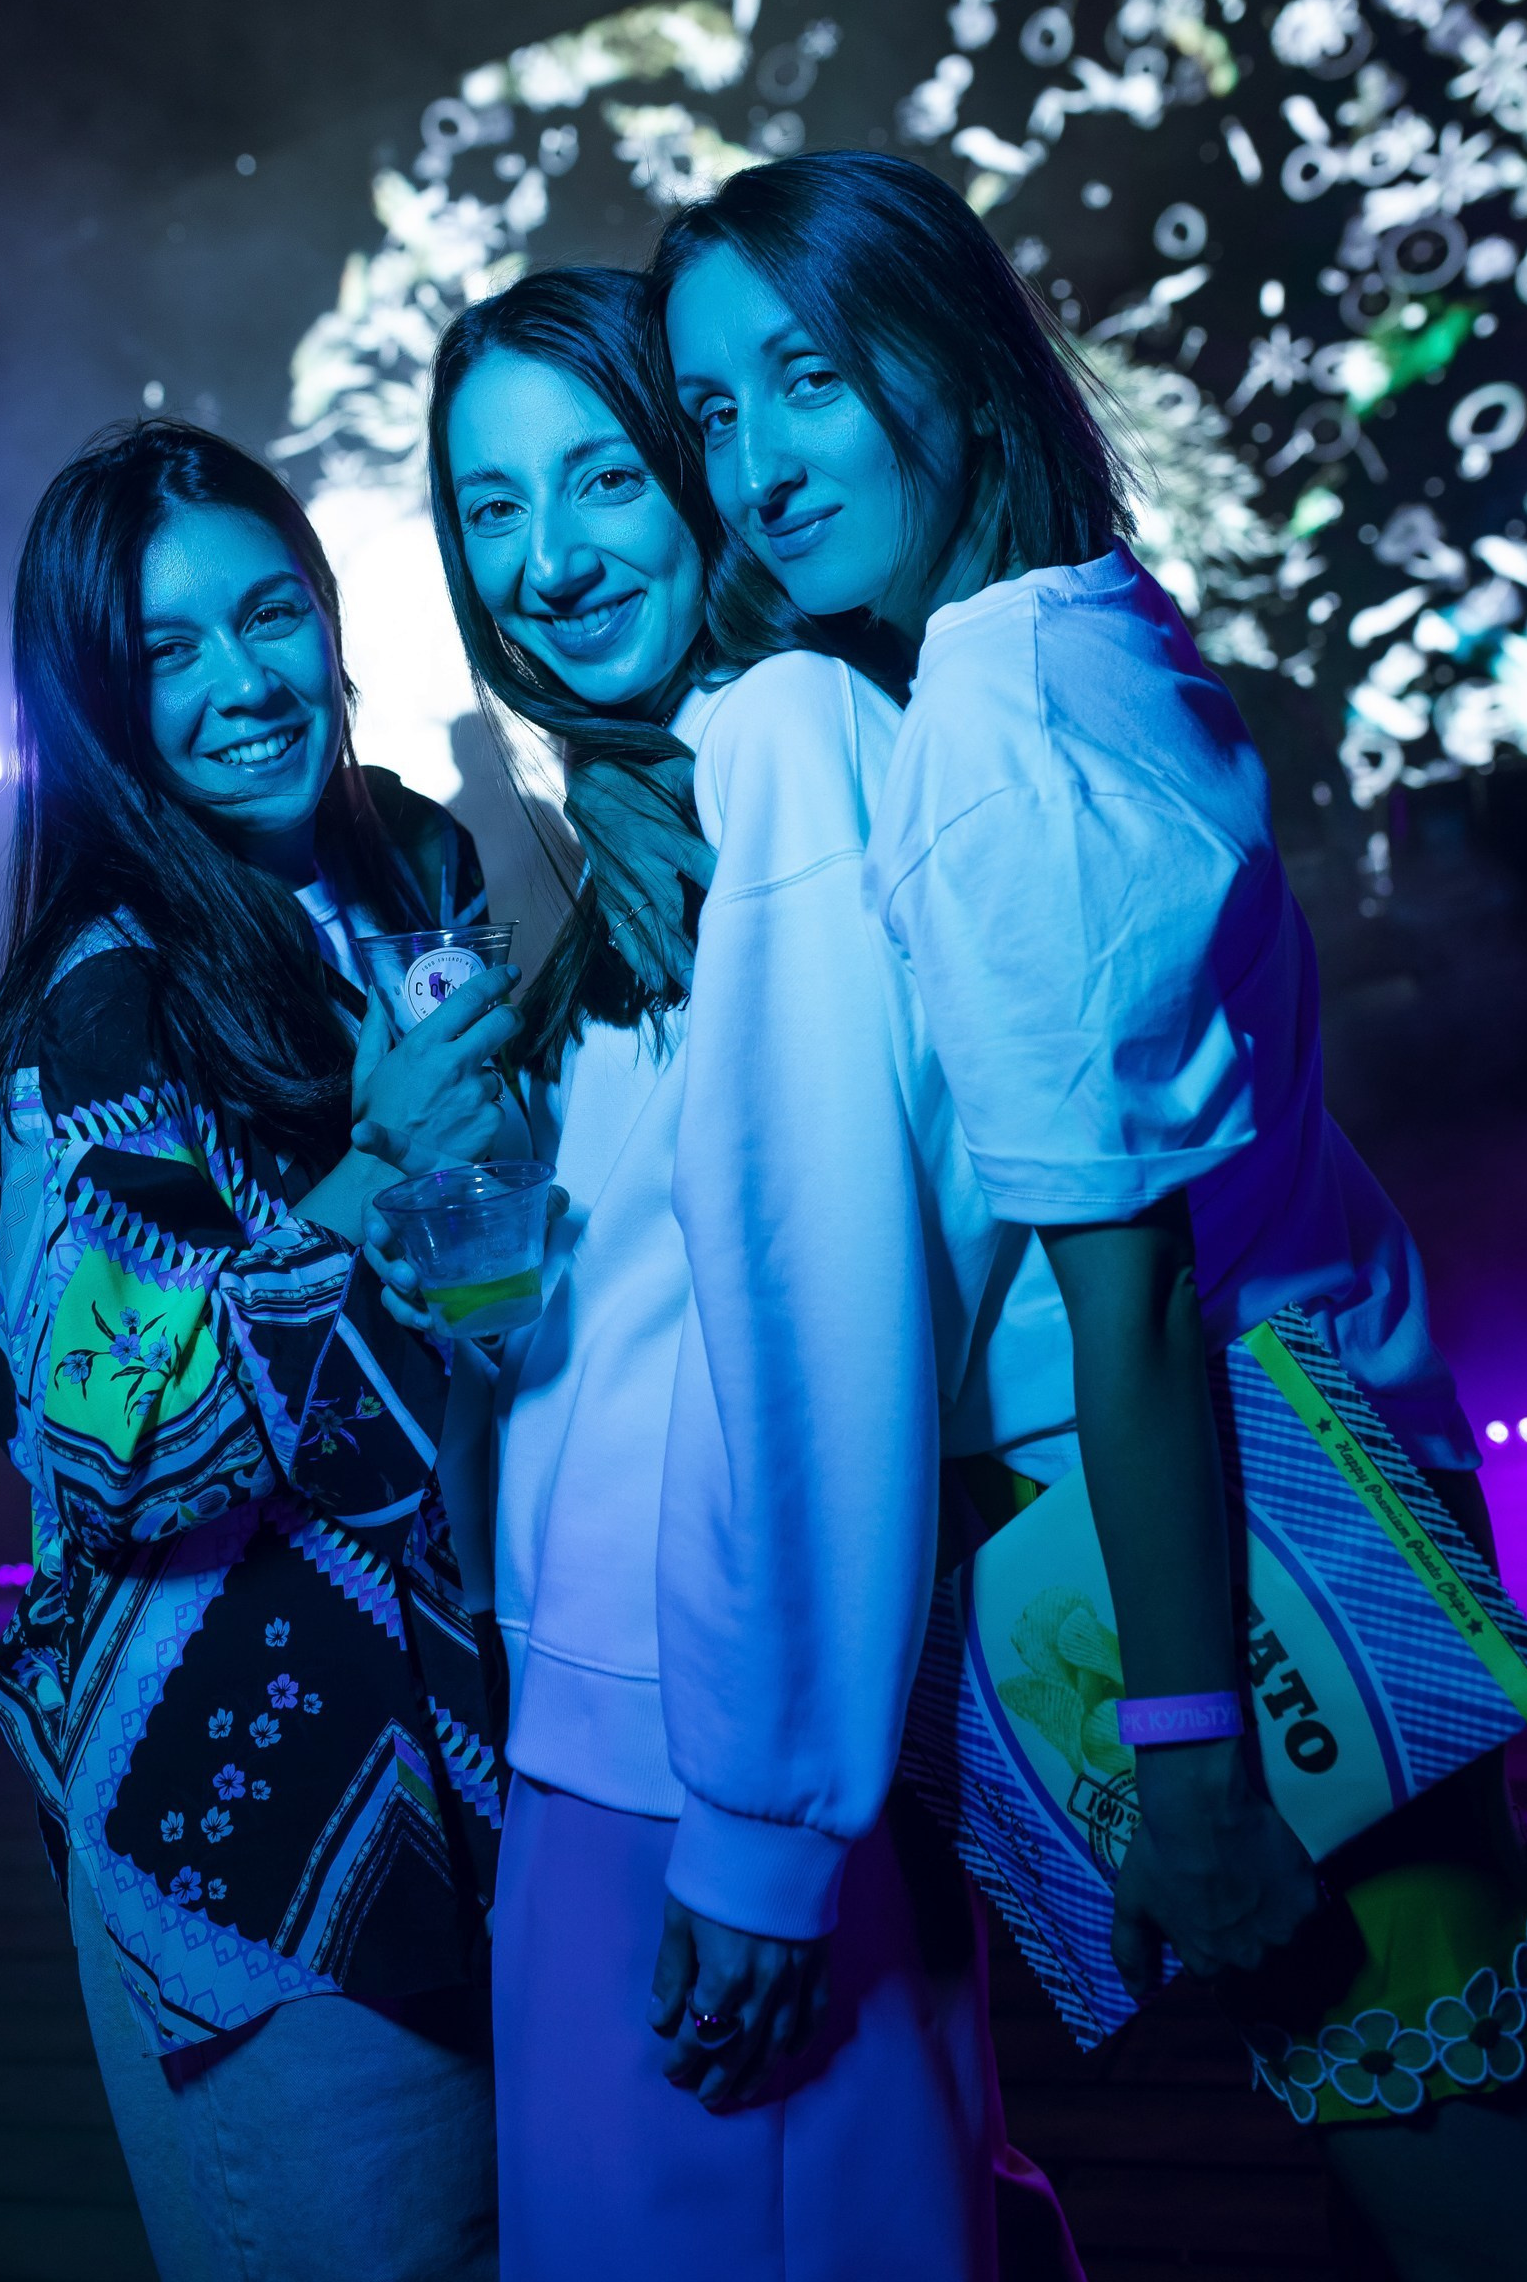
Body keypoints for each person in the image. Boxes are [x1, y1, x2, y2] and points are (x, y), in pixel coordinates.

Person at [651, 149, 1527, 2282]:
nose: (756, 466)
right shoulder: (1083, 622)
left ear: (954, 356)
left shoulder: (986, 738)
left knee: (1463, 2187)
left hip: (1234, 1577)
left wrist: (1195, 1763)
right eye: (712, 409)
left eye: (807, 373)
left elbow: (1126, 1306)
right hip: (1330, 1475)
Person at [361, 267, 1085, 2281]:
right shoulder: (657, 811)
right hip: (618, 1729)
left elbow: (822, 1316)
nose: (547, 557)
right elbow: (666, 1299)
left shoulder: (782, 736)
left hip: (705, 1753)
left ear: (702, 480)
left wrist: (762, 1839)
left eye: (603, 476)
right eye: (490, 505)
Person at [0, 418, 523, 2282]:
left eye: (270, 614)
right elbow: (115, 1450)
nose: (247, 684)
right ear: (93, 704)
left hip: (498, 1756)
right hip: (262, 1823)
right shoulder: (99, 1009)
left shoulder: (414, 862)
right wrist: (371, 1176)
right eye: (167, 651)